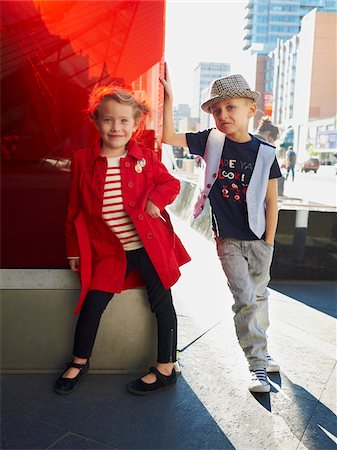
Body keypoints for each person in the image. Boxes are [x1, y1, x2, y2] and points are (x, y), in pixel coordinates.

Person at [54, 83, 191, 396]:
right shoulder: (83, 160)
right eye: (108, 119)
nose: (116, 127)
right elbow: (74, 210)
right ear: (96, 120)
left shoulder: (144, 158)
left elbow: (170, 184)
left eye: (124, 120)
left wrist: (156, 200)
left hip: (149, 246)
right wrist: (73, 250)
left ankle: (166, 367)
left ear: (136, 123)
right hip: (111, 251)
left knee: (162, 302)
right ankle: (79, 360)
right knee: (92, 303)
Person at [160, 70, 282, 393]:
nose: (223, 115)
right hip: (227, 239)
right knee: (244, 298)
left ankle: (263, 347)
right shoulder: (210, 140)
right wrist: (170, 98)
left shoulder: (266, 154)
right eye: (217, 110)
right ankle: (256, 364)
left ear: (250, 110)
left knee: (259, 295)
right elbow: (168, 137)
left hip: (259, 240)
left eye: (231, 107)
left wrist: (268, 243)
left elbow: (272, 201)